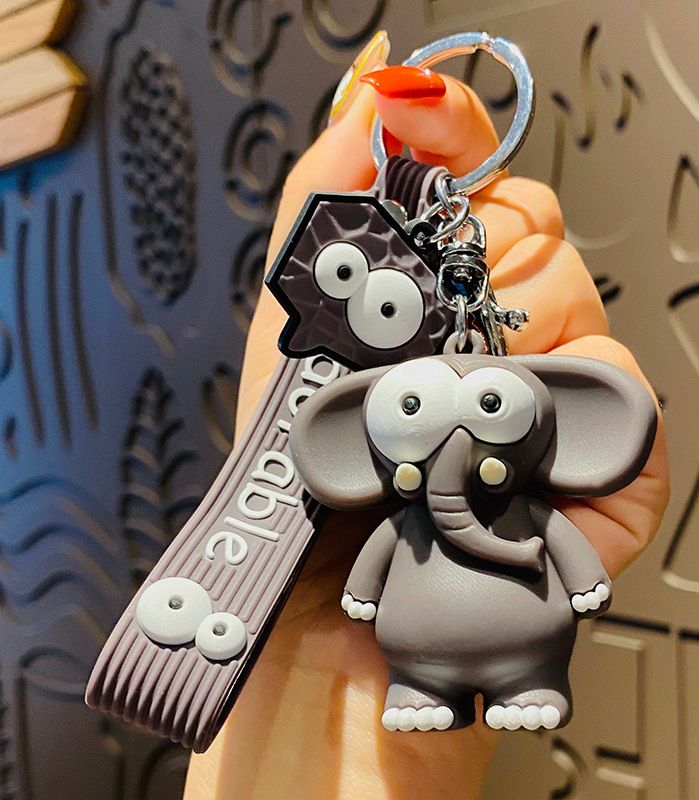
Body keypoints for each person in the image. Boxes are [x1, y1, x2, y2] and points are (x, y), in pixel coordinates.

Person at [184, 36, 669, 800]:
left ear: (575, 419)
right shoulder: (395, 515)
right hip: (408, 660)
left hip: (519, 641)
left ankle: (526, 678)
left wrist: (578, 579)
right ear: (348, 432)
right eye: (408, 408)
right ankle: (420, 686)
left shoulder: (520, 508)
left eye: (494, 407)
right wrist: (311, 641)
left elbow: (560, 547)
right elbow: (372, 565)